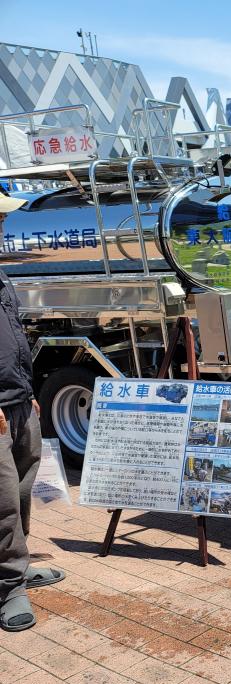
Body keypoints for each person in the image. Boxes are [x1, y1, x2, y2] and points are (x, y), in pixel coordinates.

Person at [0, 189, 66, 633]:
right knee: (2, 501)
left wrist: (29, 391)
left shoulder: (2, 277)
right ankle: (8, 587)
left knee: (23, 489)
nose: (2, 227)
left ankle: (18, 568)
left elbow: (13, 337)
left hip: (19, 400)